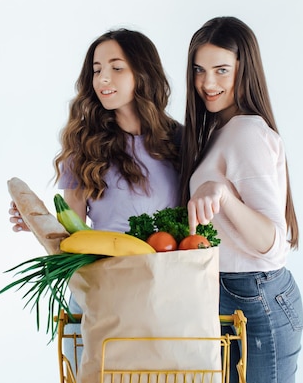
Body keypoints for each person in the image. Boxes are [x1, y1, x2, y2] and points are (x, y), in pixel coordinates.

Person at [9, 28, 182, 377]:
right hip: (102, 294)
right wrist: (37, 223)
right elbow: (69, 235)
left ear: (143, 73)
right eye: (97, 69)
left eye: (117, 67)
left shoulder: (180, 140)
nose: (103, 78)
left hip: (164, 295)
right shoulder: (85, 146)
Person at [179, 16, 303, 383]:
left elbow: (273, 244)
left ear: (244, 70)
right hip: (234, 295)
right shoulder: (222, 131)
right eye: (200, 70)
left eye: (221, 70)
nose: (207, 83)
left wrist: (223, 197)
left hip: (255, 298)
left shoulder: (247, 132)